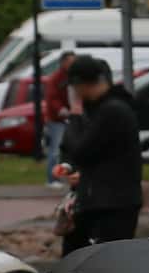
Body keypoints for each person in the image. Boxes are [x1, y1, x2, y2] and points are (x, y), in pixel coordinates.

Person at [55, 55, 143, 255]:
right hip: (96, 200)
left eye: (73, 87)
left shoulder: (112, 111)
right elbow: (80, 151)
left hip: (113, 203)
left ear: (81, 85)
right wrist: (71, 168)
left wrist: (75, 114)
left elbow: (81, 150)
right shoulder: (100, 110)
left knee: (105, 261)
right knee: (73, 254)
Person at [40, 52, 76, 188]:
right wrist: (62, 110)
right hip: (57, 119)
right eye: (70, 61)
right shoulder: (56, 78)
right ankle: (52, 179)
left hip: (70, 117)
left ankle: (67, 176)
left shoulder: (72, 77)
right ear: (63, 62)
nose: (73, 64)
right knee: (55, 150)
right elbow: (52, 97)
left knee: (68, 149)